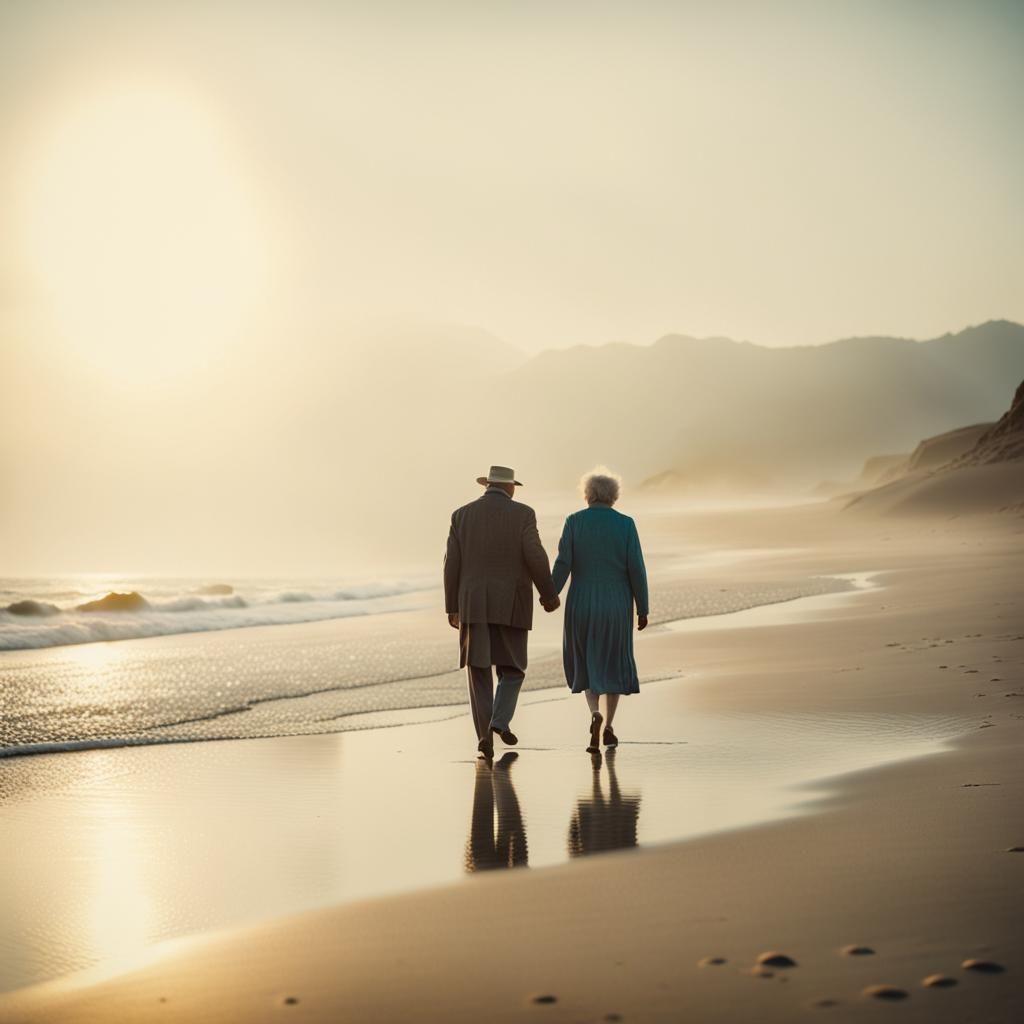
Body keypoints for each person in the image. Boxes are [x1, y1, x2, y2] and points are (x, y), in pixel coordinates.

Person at [444, 465, 560, 758]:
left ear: (487, 486)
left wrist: (452, 607)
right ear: (510, 488)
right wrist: (548, 594)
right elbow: (535, 555)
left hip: (473, 604)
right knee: (513, 668)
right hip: (512, 603)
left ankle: (485, 737)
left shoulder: (461, 516)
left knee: (479, 672)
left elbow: (451, 565)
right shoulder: (523, 514)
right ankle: (499, 720)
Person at [552, 468, 649, 751]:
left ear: (588, 494)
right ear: (613, 496)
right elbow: (636, 570)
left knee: (587, 660)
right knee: (613, 661)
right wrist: (642, 607)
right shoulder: (626, 524)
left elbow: (563, 564)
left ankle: (594, 712)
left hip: (581, 601)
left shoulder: (573, 522)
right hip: (616, 604)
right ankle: (608, 726)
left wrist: (550, 594)